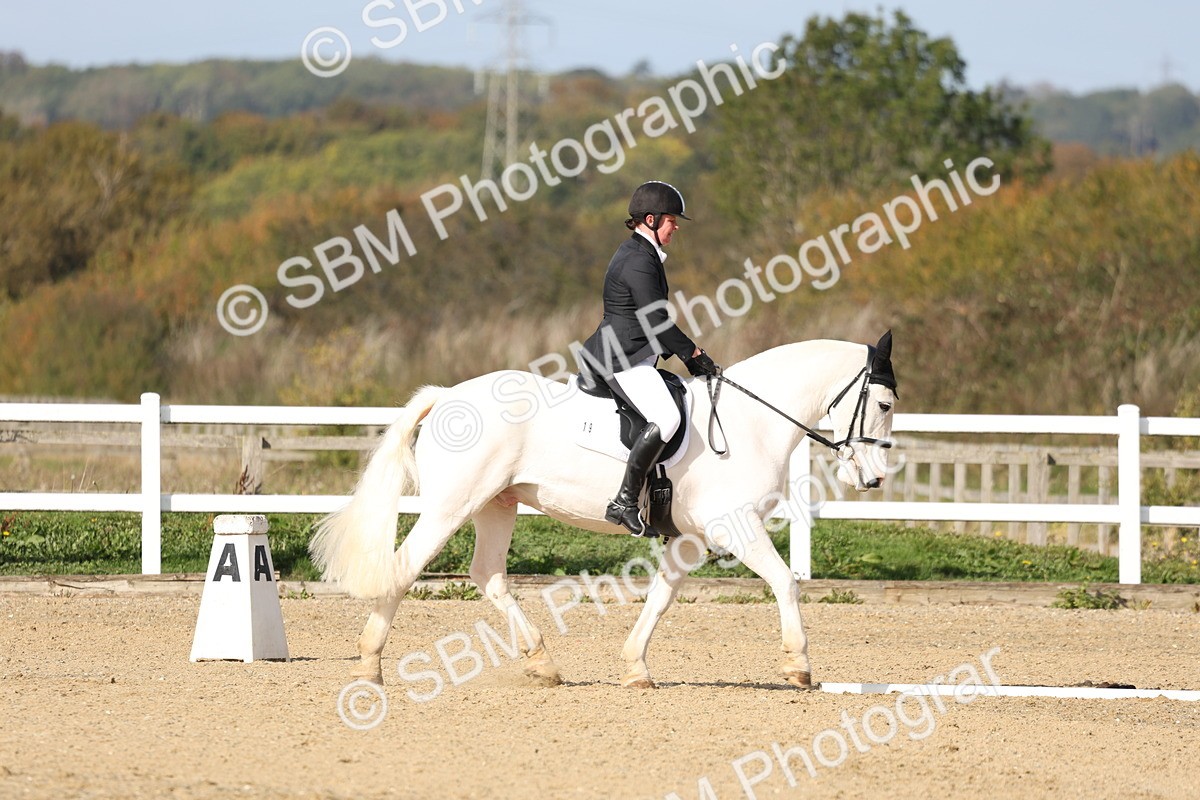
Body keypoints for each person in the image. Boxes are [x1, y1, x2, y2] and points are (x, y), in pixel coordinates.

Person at [579, 181, 721, 537]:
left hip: (632, 354)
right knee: (667, 416)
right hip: (621, 358)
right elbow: (656, 319)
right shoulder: (638, 260)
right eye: (672, 220)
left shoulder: (641, 254)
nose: (676, 227)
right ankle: (625, 500)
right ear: (651, 219)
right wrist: (692, 354)